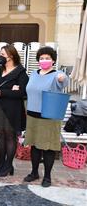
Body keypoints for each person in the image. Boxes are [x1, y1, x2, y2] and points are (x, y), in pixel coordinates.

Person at [23, 46, 68, 187]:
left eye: (47, 58)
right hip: (32, 116)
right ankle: (34, 172)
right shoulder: (34, 74)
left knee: (48, 148)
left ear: (53, 60)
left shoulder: (57, 74)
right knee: (35, 146)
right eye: (42, 58)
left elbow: (64, 80)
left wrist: (62, 78)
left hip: (49, 117)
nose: (44, 60)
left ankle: (47, 176)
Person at [0, 45, 28, 177]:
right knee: (0, 134)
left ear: (11, 56)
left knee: (10, 136)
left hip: (13, 109)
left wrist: (2, 92)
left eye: (3, 54)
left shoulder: (20, 72)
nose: (0, 57)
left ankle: (8, 165)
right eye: (0, 54)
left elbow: (21, 92)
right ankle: (2, 163)